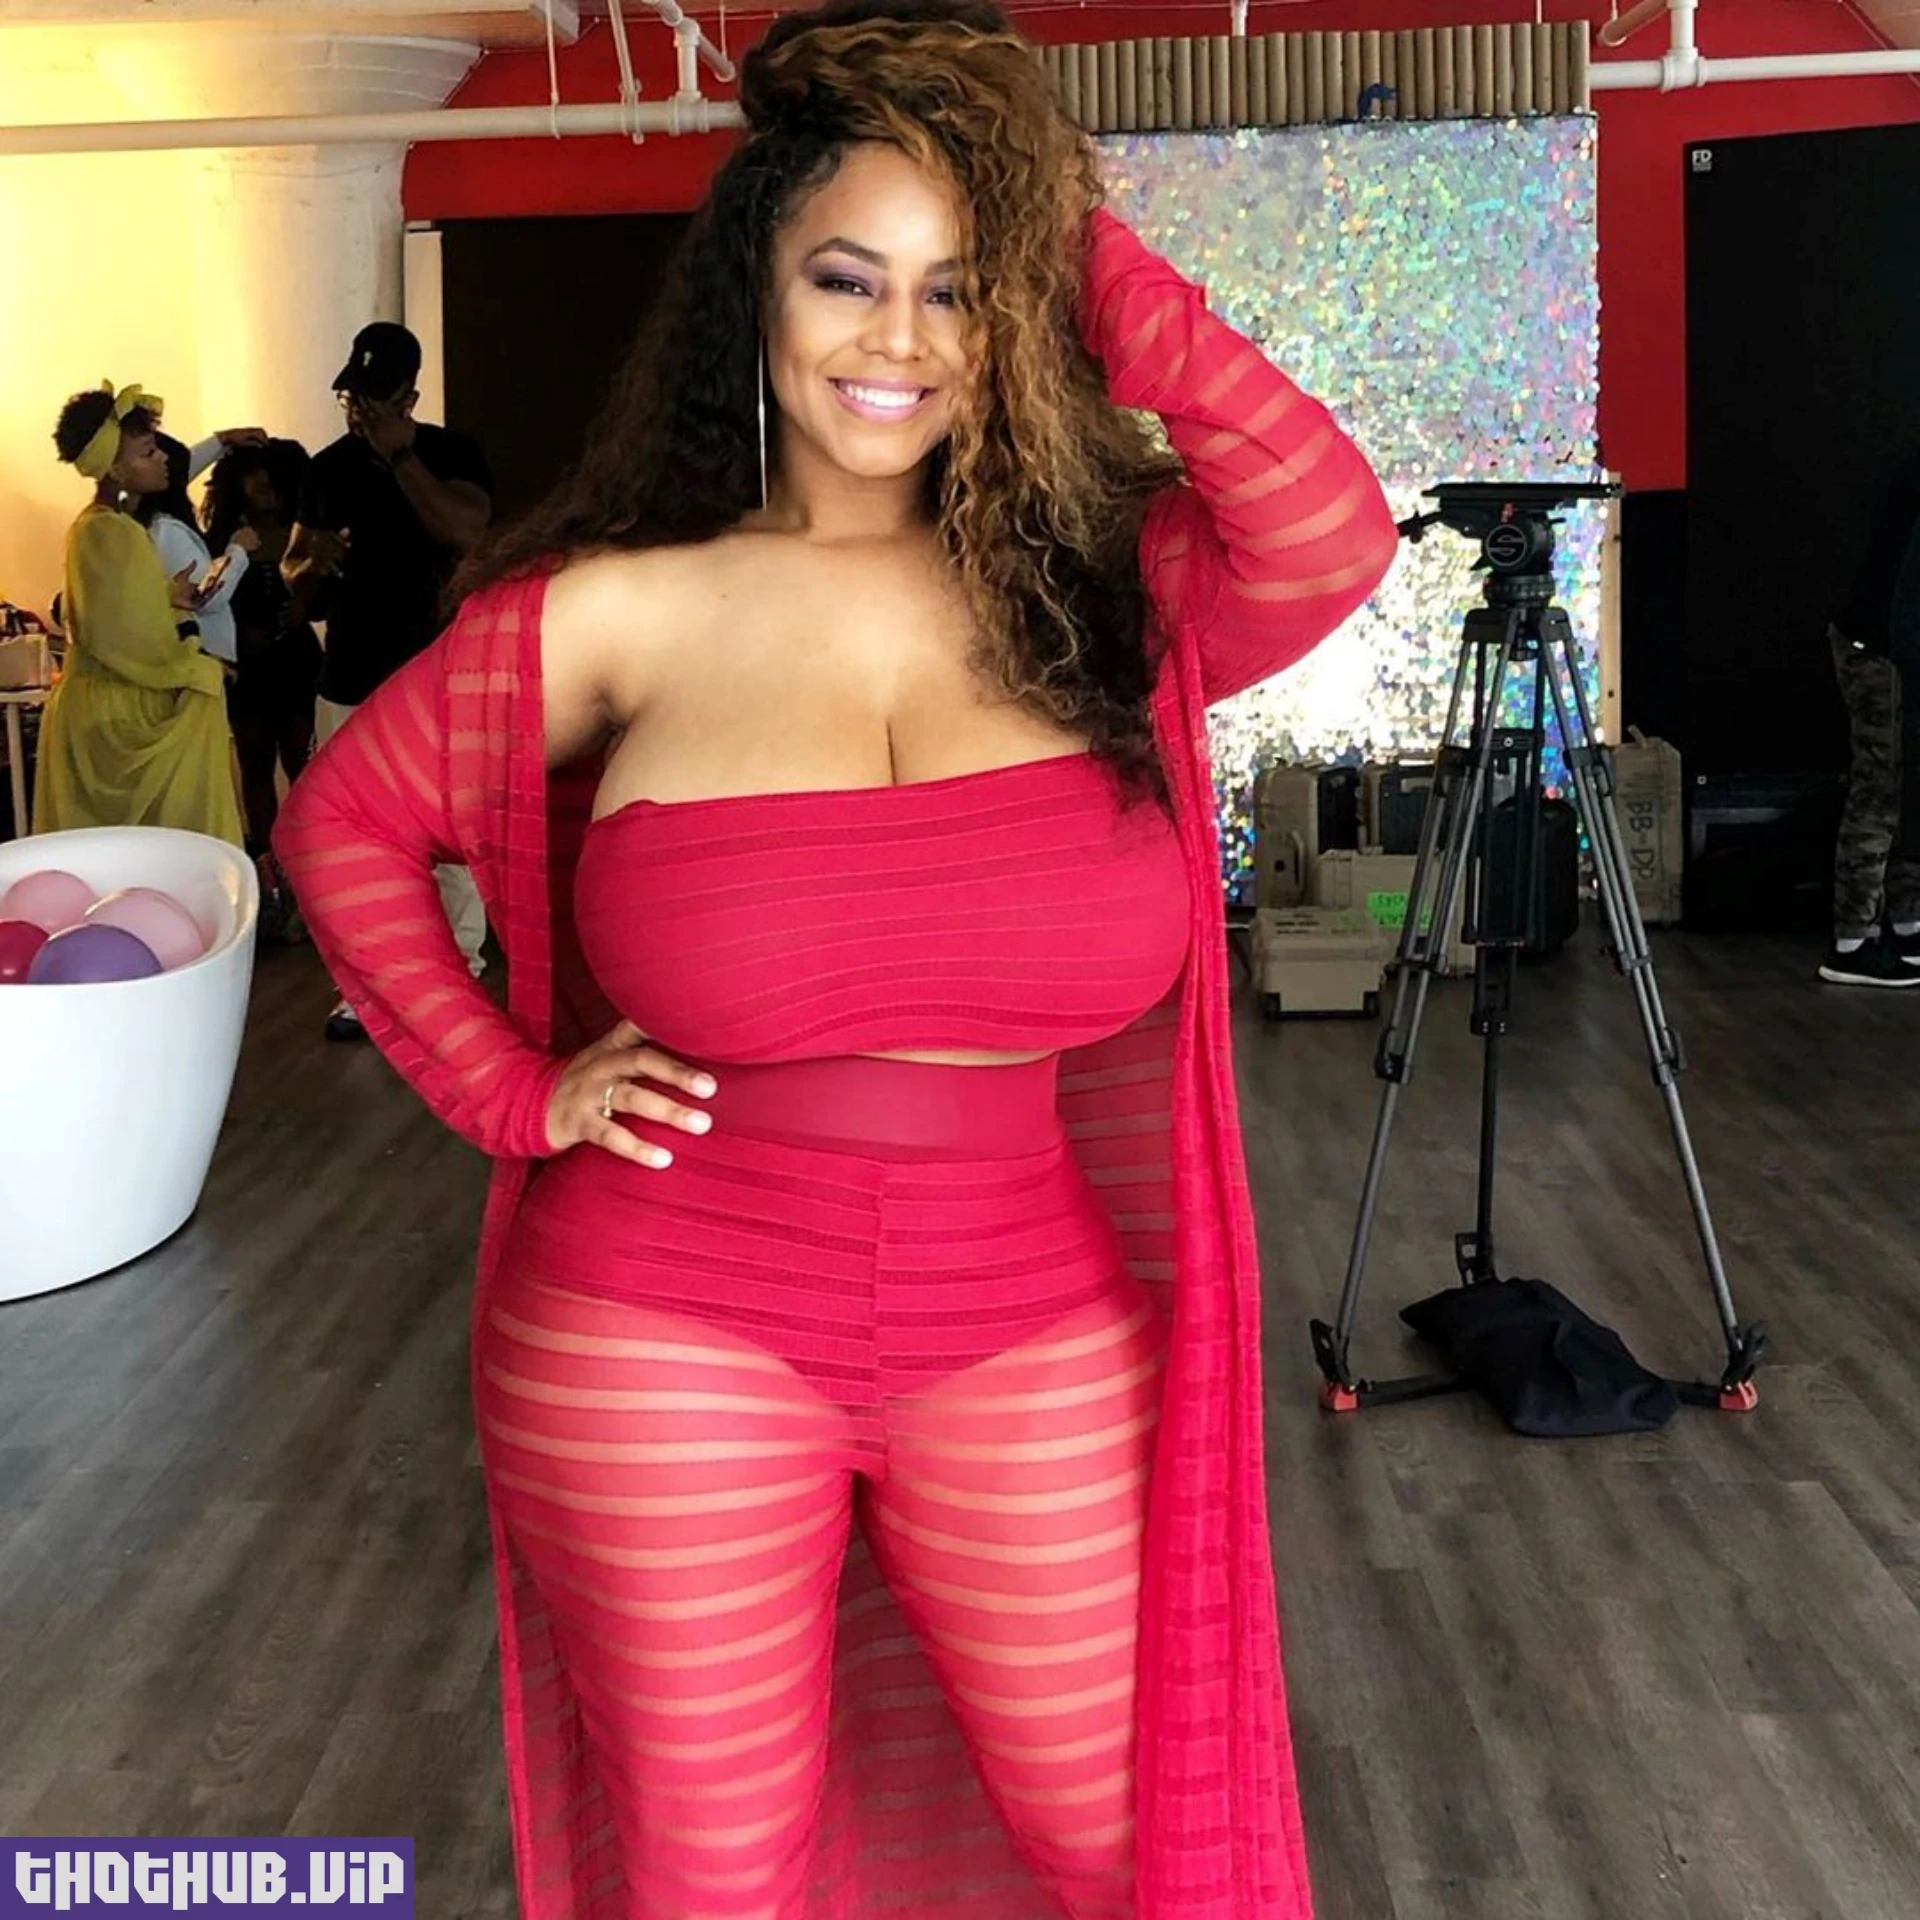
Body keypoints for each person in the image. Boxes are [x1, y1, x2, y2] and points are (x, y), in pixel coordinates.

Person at [273, 3, 1397, 1914]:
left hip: (1027, 1315)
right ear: (757, 291)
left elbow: (1329, 526)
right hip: (661, 1322)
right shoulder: (614, 610)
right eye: (847, 278)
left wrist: (1073, 244)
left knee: (1124, 1845)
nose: (899, 339)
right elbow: (345, 827)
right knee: (716, 1878)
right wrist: (510, 1094)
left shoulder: (1104, 591)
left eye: (957, 289)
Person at [282, 320, 494, 1036]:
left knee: (449, 835)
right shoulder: (326, 469)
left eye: (377, 400)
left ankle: (457, 971)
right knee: (354, 839)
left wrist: (401, 457)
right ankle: (368, 984)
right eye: (353, 398)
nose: (362, 412)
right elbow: (295, 571)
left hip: (437, 676)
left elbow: (468, 531)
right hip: (350, 675)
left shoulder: (450, 452)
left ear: (409, 398)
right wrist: (310, 569)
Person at [35, 384, 256, 845]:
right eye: (149, 452)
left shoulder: (105, 526)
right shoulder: (112, 531)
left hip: (107, 702)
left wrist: (165, 596)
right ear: (116, 469)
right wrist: (198, 666)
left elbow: (117, 609)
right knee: (152, 839)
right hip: (117, 710)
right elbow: (128, 639)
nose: (164, 459)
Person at [1820, 452, 1920, 987]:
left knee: (1907, 786)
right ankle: (1852, 945)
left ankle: (1907, 927)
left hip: (1892, 644)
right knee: (1881, 788)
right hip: (1882, 649)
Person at [137, 433, 258, 669]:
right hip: (202, 660)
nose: (160, 459)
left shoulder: (142, 522)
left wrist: (222, 441)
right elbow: (204, 597)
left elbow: (179, 469)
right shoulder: (167, 532)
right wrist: (238, 550)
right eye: (149, 453)